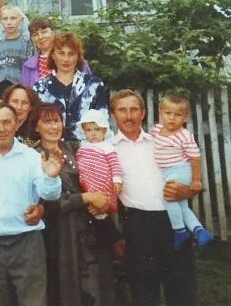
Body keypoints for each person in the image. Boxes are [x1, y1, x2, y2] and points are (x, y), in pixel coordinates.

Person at [0, 102, 63, 306]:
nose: (1, 128)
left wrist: (52, 177)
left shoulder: (31, 156)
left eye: (7, 122)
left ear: (17, 124)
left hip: (28, 243)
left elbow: (49, 194)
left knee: (34, 302)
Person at [111, 89, 200, 306]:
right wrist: (115, 235)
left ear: (143, 113)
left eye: (134, 110)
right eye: (122, 110)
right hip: (138, 224)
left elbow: (192, 177)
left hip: (172, 220)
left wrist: (188, 191)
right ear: (113, 115)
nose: (129, 116)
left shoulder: (161, 141)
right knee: (143, 289)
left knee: (181, 287)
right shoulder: (109, 150)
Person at [30, 103, 116, 306]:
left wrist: (102, 199)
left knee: (96, 284)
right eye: (47, 122)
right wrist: (86, 198)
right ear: (36, 127)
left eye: (56, 121)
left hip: (88, 226)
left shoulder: (76, 148)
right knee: (64, 288)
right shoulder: (33, 156)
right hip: (58, 232)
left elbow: (100, 174)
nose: (53, 127)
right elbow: (45, 201)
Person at [152, 93, 213, 249]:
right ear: (160, 112)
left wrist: (196, 180)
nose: (172, 118)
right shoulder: (155, 130)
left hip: (180, 170)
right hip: (164, 172)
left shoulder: (184, 135)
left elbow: (195, 158)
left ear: (186, 118)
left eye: (178, 115)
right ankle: (199, 230)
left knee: (168, 195)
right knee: (182, 207)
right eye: (168, 113)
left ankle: (180, 231)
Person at [34, 32, 108, 140]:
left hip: (87, 150)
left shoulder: (94, 85)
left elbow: (103, 122)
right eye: (61, 53)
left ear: (78, 56)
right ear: (53, 55)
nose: (66, 59)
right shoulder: (40, 88)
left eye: (71, 54)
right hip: (53, 150)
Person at [75, 109, 122, 219]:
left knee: (104, 197)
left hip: (103, 179)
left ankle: (103, 211)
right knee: (91, 198)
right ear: (84, 132)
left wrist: (117, 181)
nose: (93, 133)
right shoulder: (83, 146)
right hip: (87, 181)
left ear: (105, 131)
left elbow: (115, 165)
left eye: (97, 129)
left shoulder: (107, 146)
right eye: (89, 130)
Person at [21, 17, 92, 88]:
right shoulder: (28, 66)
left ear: (53, 33)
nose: (40, 37)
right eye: (35, 34)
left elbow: (90, 87)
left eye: (44, 32)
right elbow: (26, 95)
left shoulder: (73, 59)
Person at [0, 4, 33, 97]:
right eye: (5, 19)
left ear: (21, 21)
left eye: (13, 18)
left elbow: (30, 73)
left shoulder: (27, 44)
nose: (9, 22)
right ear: (0, 21)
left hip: (20, 90)